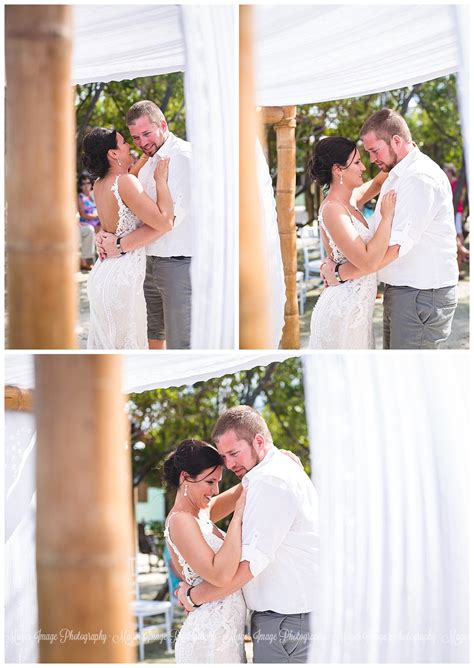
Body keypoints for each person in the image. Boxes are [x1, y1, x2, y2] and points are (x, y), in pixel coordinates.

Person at [176, 406, 319, 664]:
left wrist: (193, 596)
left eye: (234, 453)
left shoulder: (271, 481)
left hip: (285, 623)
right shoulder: (264, 477)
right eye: (224, 456)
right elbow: (204, 512)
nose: (229, 464)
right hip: (277, 622)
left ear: (259, 441)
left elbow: (248, 567)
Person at [321, 109, 459, 349]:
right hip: (403, 293)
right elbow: (368, 188)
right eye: (363, 157)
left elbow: (389, 252)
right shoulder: (395, 174)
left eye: (374, 151)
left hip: (421, 295)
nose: (371, 161)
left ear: (396, 141)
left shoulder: (419, 179)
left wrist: (340, 273)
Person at [97, 101, 192, 350]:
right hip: (144, 263)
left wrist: (119, 244)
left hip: (176, 263)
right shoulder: (147, 161)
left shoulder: (182, 157)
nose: (141, 142)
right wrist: (105, 233)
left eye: (147, 134)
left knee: (181, 342)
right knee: (150, 339)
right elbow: (127, 209)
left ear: (163, 125)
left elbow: (166, 222)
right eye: (135, 137)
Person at [82, 127, 174, 349]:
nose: (129, 145)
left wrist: (143, 159)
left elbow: (126, 187)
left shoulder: (100, 183)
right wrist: (160, 180)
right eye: (123, 143)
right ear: (113, 153)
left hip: (102, 274)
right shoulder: (125, 182)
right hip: (122, 280)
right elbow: (165, 222)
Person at [308, 136, 397, 348]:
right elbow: (367, 262)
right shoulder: (333, 210)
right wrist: (386, 218)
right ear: (338, 169)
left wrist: (401, 155)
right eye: (357, 162)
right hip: (342, 313)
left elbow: (377, 182)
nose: (364, 167)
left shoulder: (350, 200)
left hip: (359, 312)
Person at [163, 440, 247, 663]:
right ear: (185, 478)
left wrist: (272, 460)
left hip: (225, 636)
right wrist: (236, 518)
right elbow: (219, 574)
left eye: (218, 482)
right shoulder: (181, 520)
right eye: (210, 481)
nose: (216, 490)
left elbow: (244, 489)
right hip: (209, 640)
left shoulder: (201, 513)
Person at [443, 163, 469, 276]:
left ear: (450, 171)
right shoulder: (448, 182)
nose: (444, 173)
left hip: (457, 212)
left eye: (445, 171)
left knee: (457, 235)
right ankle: (462, 253)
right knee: (456, 235)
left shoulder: (456, 182)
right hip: (452, 212)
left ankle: (462, 252)